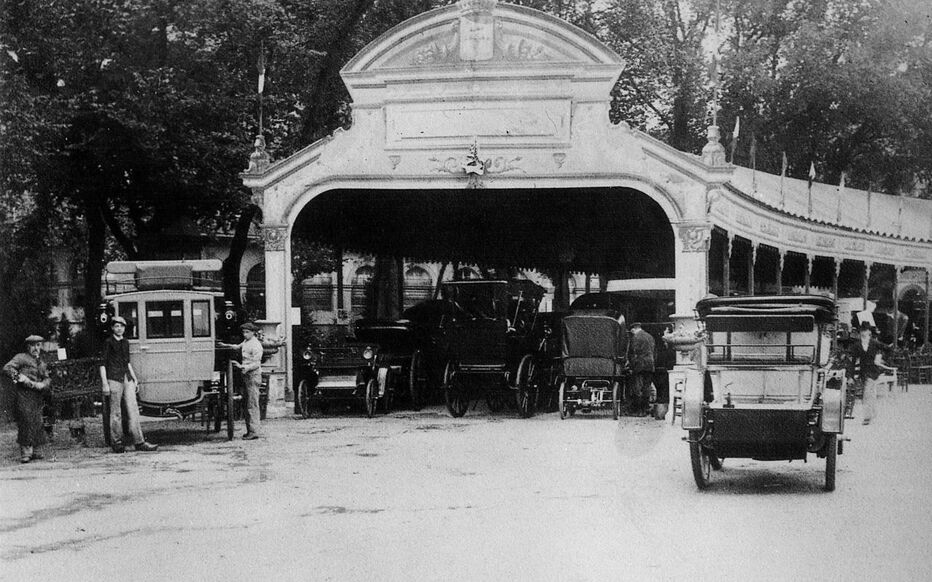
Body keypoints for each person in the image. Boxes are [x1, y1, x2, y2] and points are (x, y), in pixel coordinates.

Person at [99, 316, 158, 453]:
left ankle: (139, 442)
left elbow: (127, 362)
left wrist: (134, 378)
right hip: (114, 378)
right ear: (112, 328)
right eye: (116, 326)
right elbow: (102, 364)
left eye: (121, 326)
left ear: (124, 328)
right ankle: (117, 443)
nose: (119, 328)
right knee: (116, 413)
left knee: (133, 410)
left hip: (127, 377)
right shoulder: (108, 342)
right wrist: (105, 384)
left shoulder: (126, 342)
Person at [218, 322, 284, 440]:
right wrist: (224, 345)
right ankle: (250, 431)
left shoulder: (256, 345)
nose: (245, 334)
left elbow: (256, 363)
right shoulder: (246, 342)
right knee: (248, 403)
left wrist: (242, 367)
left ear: (253, 333)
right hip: (247, 375)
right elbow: (237, 347)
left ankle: (254, 432)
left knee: (252, 404)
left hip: (253, 375)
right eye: (243, 332)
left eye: (247, 332)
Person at [4, 335, 51, 463]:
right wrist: (21, 378)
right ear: (28, 347)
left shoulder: (41, 362)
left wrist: (44, 384)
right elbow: (7, 368)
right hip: (23, 394)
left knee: (37, 420)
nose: (35, 348)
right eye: (32, 345)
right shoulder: (21, 357)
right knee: (25, 420)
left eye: (38, 345)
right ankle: (26, 452)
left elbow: (47, 377)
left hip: (37, 395)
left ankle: (36, 450)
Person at [847, 321, 896, 425]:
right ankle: (873, 413)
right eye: (862, 331)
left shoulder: (874, 343)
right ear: (860, 332)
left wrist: (882, 360)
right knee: (871, 393)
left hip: (873, 371)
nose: (864, 333)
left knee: (866, 393)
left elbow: (889, 349)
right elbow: (852, 361)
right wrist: (850, 376)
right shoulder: (857, 345)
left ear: (869, 332)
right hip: (863, 372)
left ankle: (867, 417)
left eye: (866, 331)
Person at [628, 322, 655, 416]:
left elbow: (633, 353)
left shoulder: (635, 337)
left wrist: (631, 366)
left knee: (637, 388)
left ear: (633, 329)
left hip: (639, 365)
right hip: (650, 365)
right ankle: (645, 409)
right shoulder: (650, 336)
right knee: (647, 387)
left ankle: (639, 411)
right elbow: (654, 351)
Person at [652, 330, 676, 420]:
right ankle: (663, 412)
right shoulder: (673, 352)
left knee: (661, 394)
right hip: (666, 373)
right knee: (666, 393)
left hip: (660, 373)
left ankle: (660, 413)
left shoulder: (661, 351)